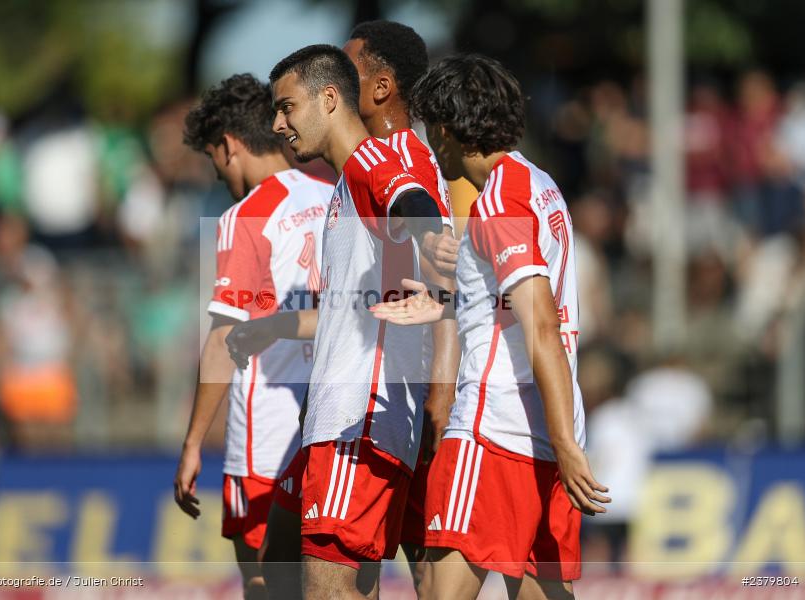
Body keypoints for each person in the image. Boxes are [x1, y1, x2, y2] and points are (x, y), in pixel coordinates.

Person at [370, 55, 610, 600]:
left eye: (433, 130)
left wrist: (568, 445)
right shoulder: (540, 184)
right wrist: (457, 304)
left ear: (448, 129)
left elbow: (541, 323)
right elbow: (521, 304)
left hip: (493, 426)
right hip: (547, 423)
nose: (432, 146)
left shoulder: (500, 197)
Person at [227, 44, 456, 599]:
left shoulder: (377, 160)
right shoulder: (346, 183)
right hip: (339, 418)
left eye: (286, 107)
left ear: (330, 99)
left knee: (330, 589)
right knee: (284, 563)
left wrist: (429, 238)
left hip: (358, 422)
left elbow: (411, 200)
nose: (278, 125)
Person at [172, 73, 333, 600]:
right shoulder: (336, 198)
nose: (219, 175)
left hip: (266, 438)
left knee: (265, 584)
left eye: (214, 159)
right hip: (334, 426)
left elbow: (224, 338)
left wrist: (194, 442)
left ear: (230, 145)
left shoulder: (246, 216)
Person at [341, 20, 460, 589]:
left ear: (382, 87)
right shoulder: (408, 155)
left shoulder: (392, 156)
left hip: (393, 402)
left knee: (349, 574)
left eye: (348, 71)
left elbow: (437, 264)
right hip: (404, 401)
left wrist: (441, 390)